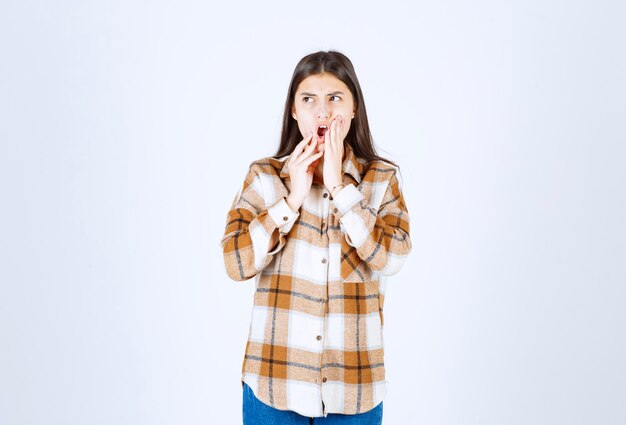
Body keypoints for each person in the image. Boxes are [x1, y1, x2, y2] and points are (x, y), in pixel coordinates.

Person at [220, 50, 412, 424]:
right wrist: (291, 198)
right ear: (294, 110)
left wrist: (341, 188)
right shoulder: (265, 177)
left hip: (353, 391)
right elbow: (234, 262)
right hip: (273, 387)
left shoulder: (380, 180)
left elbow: (393, 257)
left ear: (354, 107)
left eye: (335, 98)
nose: (322, 113)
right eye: (308, 99)